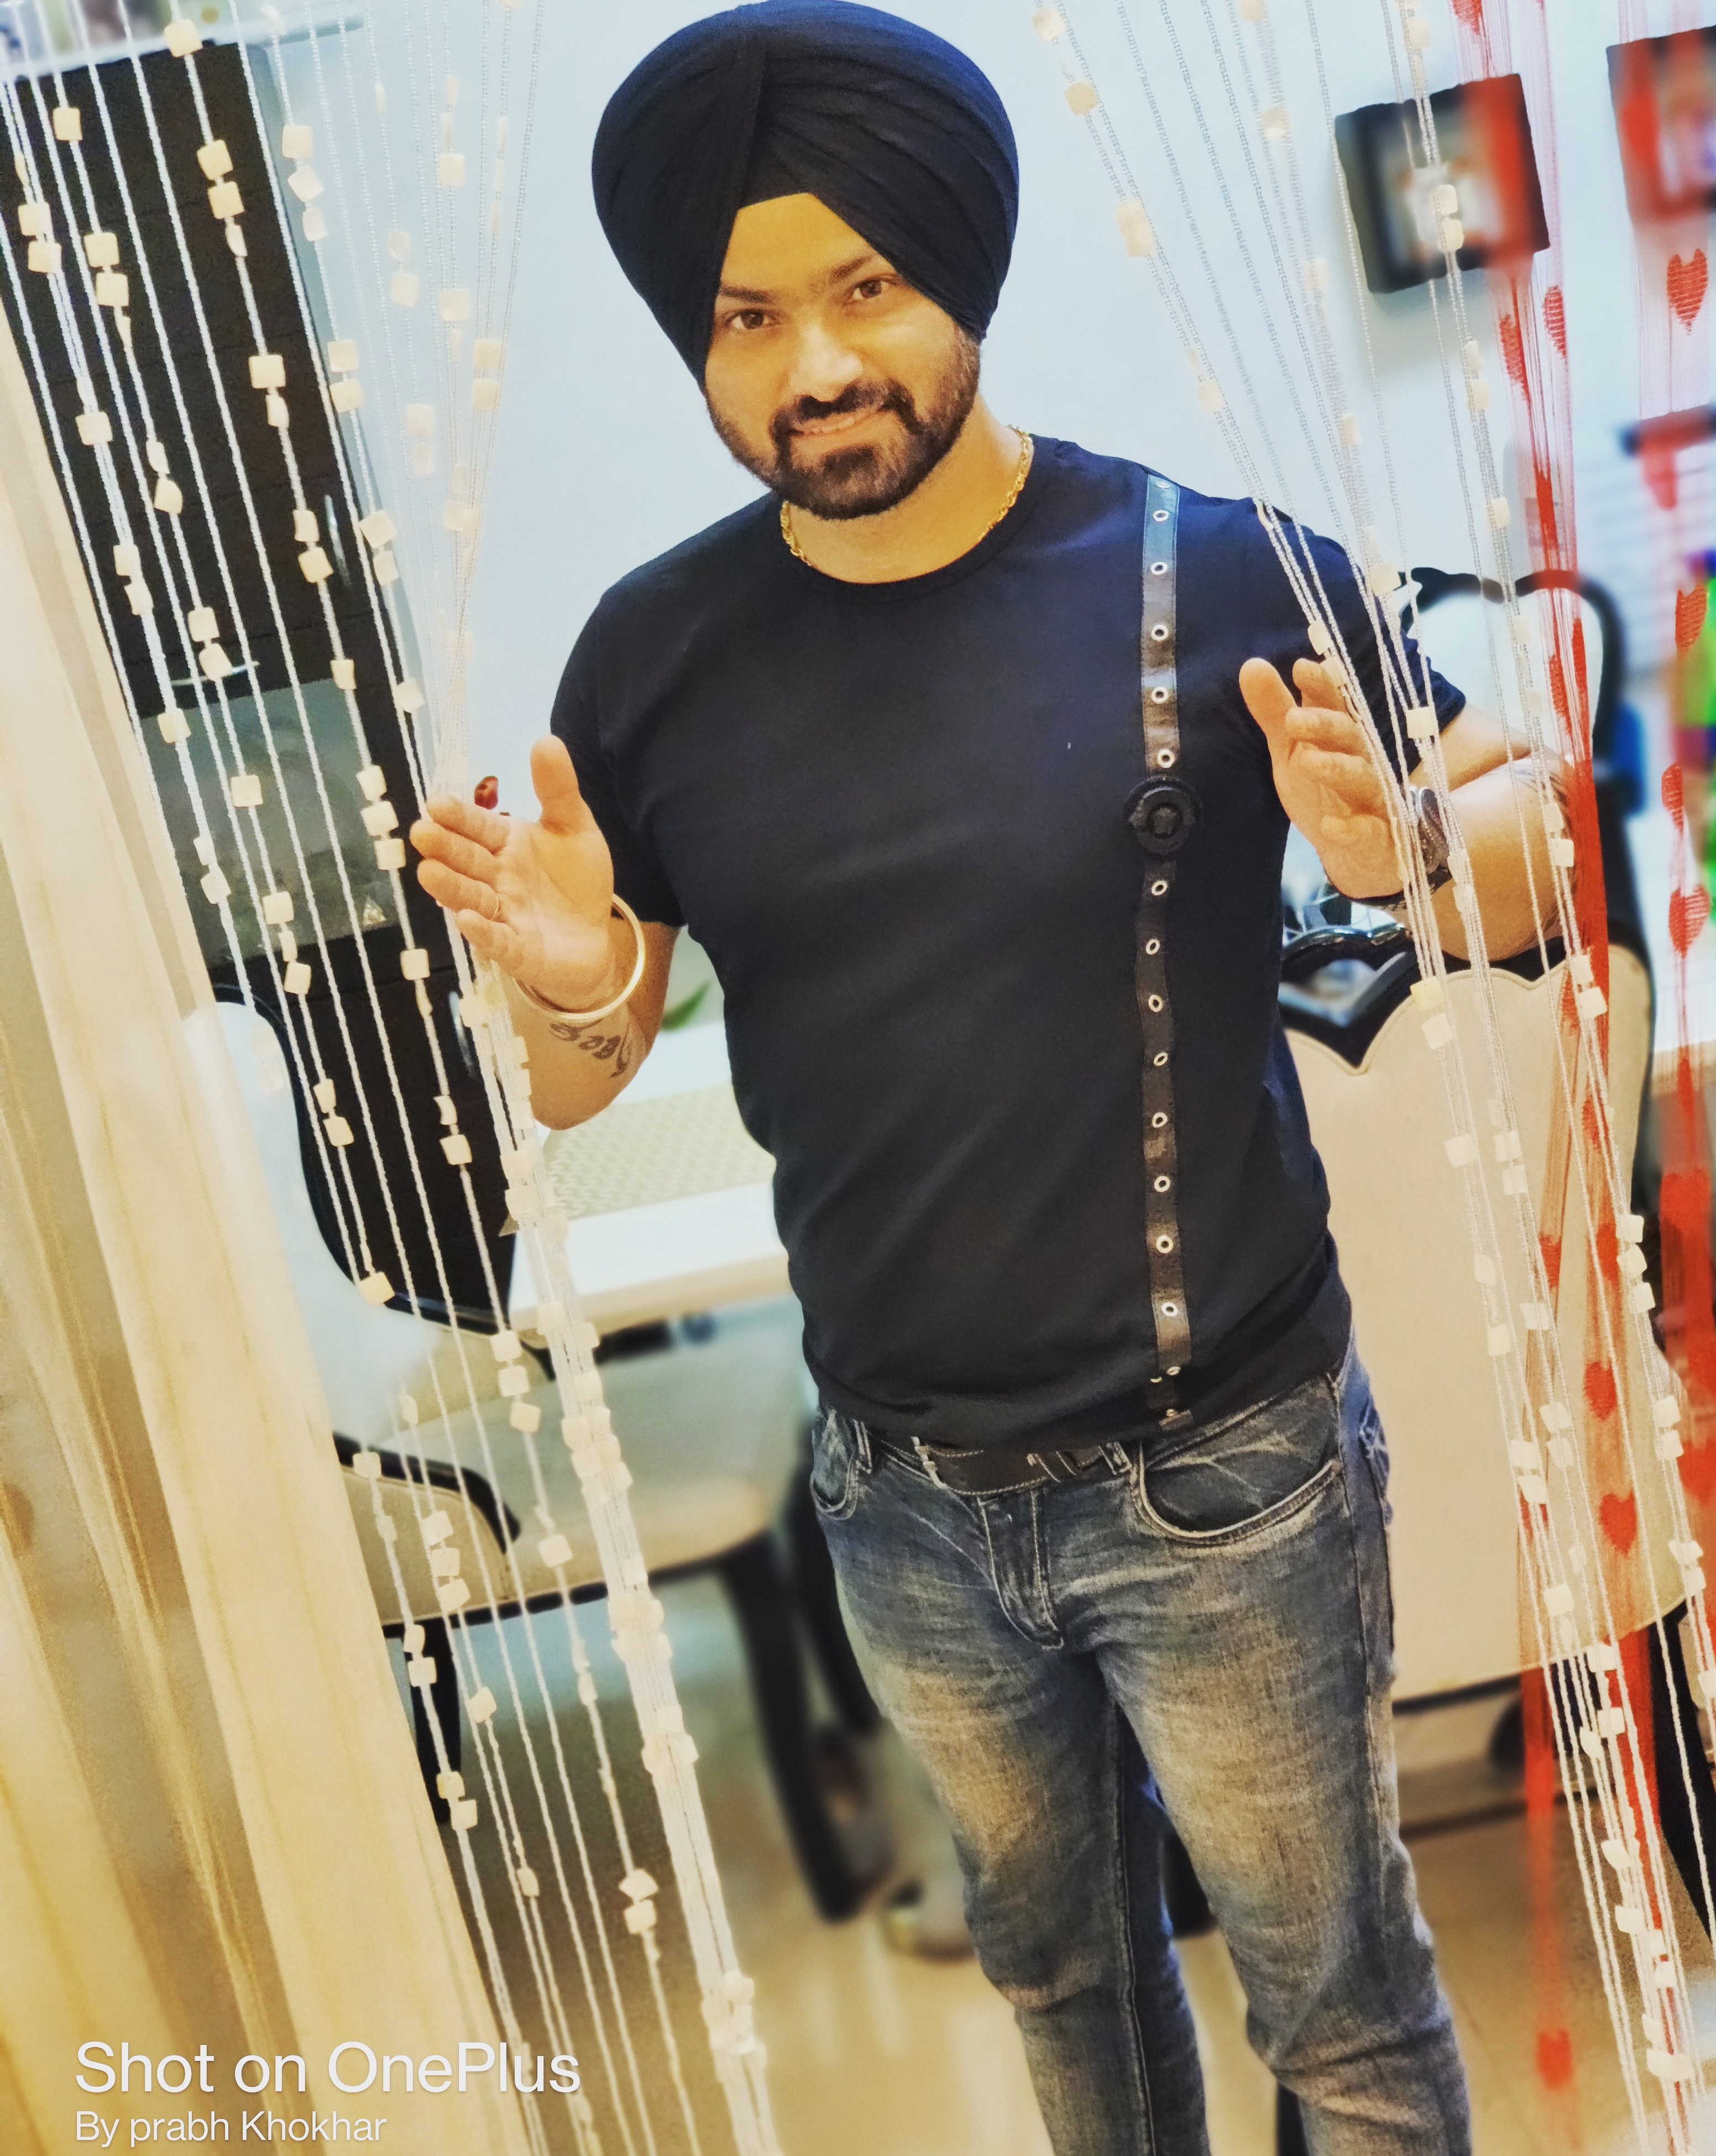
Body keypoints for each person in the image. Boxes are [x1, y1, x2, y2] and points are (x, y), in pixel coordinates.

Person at [412, 8, 1562, 2149]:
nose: (816, 365)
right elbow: (581, 1075)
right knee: (1064, 1994)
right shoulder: (651, 658)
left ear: (961, 267)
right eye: (749, 316)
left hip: (1226, 1475)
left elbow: (1526, 829)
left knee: (1336, 2015)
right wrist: (582, 983)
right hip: (902, 1502)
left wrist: (1409, 841)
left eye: (866, 287)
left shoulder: (1208, 564)